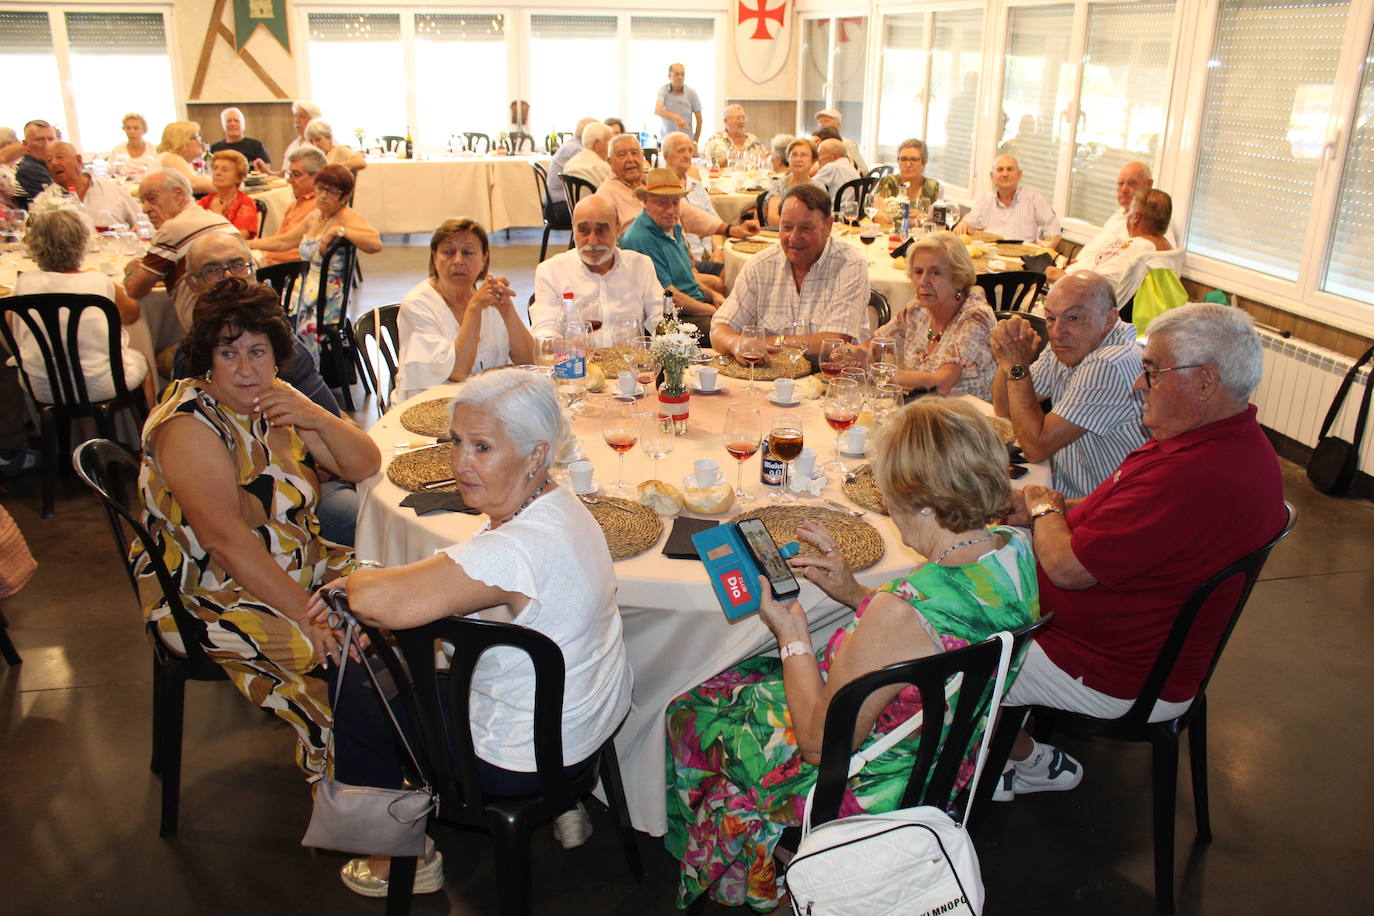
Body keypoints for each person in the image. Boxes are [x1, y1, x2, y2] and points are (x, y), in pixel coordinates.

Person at [665, 396, 1038, 909]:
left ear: (924, 502)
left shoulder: (901, 610)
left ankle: (757, 880)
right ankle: (757, 863)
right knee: (742, 676)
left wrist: (791, 628)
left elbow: (818, 744)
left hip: (872, 778)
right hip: (946, 752)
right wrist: (855, 594)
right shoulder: (1012, 549)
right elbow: (937, 640)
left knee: (691, 709)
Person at [305, 368, 633, 897]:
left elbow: (373, 599)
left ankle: (397, 860)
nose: (460, 462)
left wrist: (353, 579)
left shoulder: (510, 550)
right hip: (584, 720)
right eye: (457, 442)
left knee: (355, 678)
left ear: (535, 454)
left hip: (520, 760)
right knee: (393, 654)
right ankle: (567, 806)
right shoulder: (563, 504)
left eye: (482, 447)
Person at [994, 304, 1285, 800]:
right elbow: (1122, 512)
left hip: (1111, 668)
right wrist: (1052, 508)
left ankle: (1012, 760)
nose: (1137, 384)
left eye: (1152, 372)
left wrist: (1045, 512)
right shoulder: (1212, 441)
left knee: (940, 647)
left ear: (1206, 381)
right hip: (1125, 636)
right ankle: (998, 750)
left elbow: (1065, 568)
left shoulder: (1195, 475)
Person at [134, 278, 381, 774]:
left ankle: (411, 755)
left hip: (299, 562)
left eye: (257, 351)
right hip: (210, 592)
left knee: (409, 591)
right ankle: (362, 813)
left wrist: (316, 415)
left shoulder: (274, 396)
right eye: (229, 353)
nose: (246, 369)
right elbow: (224, 542)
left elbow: (363, 464)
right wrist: (310, 616)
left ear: (277, 354)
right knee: (329, 664)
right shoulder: (187, 425)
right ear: (207, 356)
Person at [171, 233, 360, 547]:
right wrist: (312, 466)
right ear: (192, 284)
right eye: (214, 270)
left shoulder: (276, 341)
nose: (228, 278)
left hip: (314, 474)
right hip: (275, 505)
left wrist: (330, 427)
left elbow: (330, 420)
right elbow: (227, 522)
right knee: (371, 523)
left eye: (237, 265)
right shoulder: (193, 372)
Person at [990, 272, 1147, 498]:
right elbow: (1004, 407)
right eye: (1051, 318)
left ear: (1110, 319)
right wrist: (1007, 353)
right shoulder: (1072, 344)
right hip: (1064, 488)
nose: (1057, 333)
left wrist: (1017, 366)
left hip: (1100, 508)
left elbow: (1035, 447)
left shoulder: (1110, 363)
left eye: (1073, 318)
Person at [9, 206, 153, 405]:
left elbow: (12, 331)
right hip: (100, 383)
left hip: (42, 385)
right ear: (81, 243)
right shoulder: (100, 282)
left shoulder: (23, 284)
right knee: (143, 360)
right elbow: (131, 315)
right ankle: (151, 429)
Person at [711, 183, 869, 359]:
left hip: (832, 377)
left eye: (805, 228)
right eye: (786, 227)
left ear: (828, 226)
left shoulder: (849, 264)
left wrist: (772, 341)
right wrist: (736, 343)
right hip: (773, 378)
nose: (793, 238)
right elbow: (719, 329)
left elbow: (835, 341)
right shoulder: (760, 265)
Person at [248, 164, 382, 357]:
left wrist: (340, 231)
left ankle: (304, 368)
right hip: (305, 285)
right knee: (264, 305)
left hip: (327, 293)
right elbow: (284, 241)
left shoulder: (347, 217)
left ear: (344, 197)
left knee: (286, 318)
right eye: (320, 189)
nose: (323, 196)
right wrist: (248, 244)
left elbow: (375, 244)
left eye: (331, 192)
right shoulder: (315, 217)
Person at [395, 218, 534, 401]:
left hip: (487, 402)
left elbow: (528, 359)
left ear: (484, 258)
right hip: (428, 406)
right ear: (435, 257)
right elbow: (457, 372)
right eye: (448, 252)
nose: (458, 260)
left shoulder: (490, 296)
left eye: (468, 252)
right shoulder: (417, 304)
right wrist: (474, 309)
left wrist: (507, 310)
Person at [123, 169, 237, 358]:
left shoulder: (172, 230)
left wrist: (131, 269)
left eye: (152, 199)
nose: (145, 209)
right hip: (239, 324)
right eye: (142, 201)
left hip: (209, 340)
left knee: (153, 358)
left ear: (178, 194)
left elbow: (136, 289)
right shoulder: (218, 220)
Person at [871, 231, 997, 399]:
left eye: (935, 273)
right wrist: (855, 353)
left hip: (966, 418)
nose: (923, 281)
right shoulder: (918, 309)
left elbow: (941, 383)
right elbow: (877, 344)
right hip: (924, 410)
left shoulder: (975, 317)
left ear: (958, 278)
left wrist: (885, 374)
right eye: (918, 272)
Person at [530, 195, 663, 341]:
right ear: (573, 230)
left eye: (601, 230)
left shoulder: (641, 266)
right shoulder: (551, 272)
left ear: (617, 229)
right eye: (584, 231)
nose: (592, 241)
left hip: (629, 361)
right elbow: (544, 334)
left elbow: (661, 321)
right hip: (577, 361)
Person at [596, 133, 760, 240]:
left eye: (635, 153)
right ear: (610, 162)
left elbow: (686, 212)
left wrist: (731, 229)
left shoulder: (651, 181)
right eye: (622, 155)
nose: (630, 159)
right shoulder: (606, 195)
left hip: (680, 256)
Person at [619, 168, 723, 328]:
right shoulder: (642, 238)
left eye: (675, 202)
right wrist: (712, 310)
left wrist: (713, 295)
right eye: (662, 203)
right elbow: (670, 297)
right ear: (645, 202)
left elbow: (687, 278)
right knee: (727, 330)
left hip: (692, 303)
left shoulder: (672, 226)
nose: (670, 210)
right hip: (672, 316)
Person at [1052, 189, 1180, 308]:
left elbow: (1096, 291)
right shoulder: (1168, 251)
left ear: (1136, 218)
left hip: (1093, 312)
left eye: (1130, 211)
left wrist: (1062, 277)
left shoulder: (1135, 248)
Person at [1067, 161, 1173, 268]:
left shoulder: (1153, 225)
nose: (1124, 190)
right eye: (1121, 183)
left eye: (1132, 183)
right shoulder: (1118, 214)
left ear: (1148, 184)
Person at [954, 154, 1060, 247]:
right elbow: (966, 223)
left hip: (1024, 261)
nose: (1005, 174)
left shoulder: (1034, 199)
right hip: (990, 258)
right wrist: (962, 226)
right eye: (1000, 169)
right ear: (992, 176)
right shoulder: (984, 201)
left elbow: (1054, 232)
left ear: (1019, 174)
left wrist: (1045, 251)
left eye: (1010, 169)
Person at [44, 141, 140, 228]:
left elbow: (141, 221)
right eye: (49, 160)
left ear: (79, 160)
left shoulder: (111, 189)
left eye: (60, 157)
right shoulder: (44, 201)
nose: (54, 163)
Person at [263, 146, 326, 266]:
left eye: (296, 175)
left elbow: (285, 244)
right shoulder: (296, 203)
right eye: (289, 174)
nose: (289, 181)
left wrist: (247, 245)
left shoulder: (321, 207)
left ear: (317, 176)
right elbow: (279, 239)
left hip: (290, 270)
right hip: (273, 261)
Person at [871, 138, 942, 225]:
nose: (908, 165)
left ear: (923, 163)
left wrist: (923, 217)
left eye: (914, 159)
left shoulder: (932, 186)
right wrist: (899, 218)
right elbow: (877, 216)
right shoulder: (889, 182)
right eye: (903, 159)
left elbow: (938, 221)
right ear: (898, 161)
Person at [197, 149, 259, 239]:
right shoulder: (205, 201)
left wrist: (218, 214)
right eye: (215, 168)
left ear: (239, 178)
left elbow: (239, 240)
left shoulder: (245, 203)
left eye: (225, 170)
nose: (217, 173)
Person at [546, 116, 598, 216]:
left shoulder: (571, 145)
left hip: (555, 200)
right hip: (561, 203)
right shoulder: (577, 150)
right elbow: (592, 175)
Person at [154, 121, 215, 197]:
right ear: (181, 140)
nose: (200, 143)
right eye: (196, 138)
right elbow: (191, 183)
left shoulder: (176, 159)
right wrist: (226, 185)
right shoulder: (171, 158)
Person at [210, 107, 272, 172]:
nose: (233, 124)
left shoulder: (256, 145)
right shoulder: (215, 148)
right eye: (229, 121)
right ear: (223, 125)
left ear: (243, 125)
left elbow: (266, 170)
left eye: (236, 121)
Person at [702, 104, 768, 166]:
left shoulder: (753, 140)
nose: (742, 121)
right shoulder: (715, 141)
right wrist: (727, 158)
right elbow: (705, 164)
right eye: (738, 118)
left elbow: (764, 161)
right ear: (726, 121)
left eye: (743, 118)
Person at [655, 62, 702, 142]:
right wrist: (676, 117)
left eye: (682, 74)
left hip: (685, 140)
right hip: (666, 140)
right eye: (676, 74)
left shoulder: (691, 93)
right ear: (669, 76)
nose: (680, 77)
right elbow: (658, 110)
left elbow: (699, 118)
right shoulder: (663, 91)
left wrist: (695, 141)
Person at [14, 120, 56, 207]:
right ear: (26, 144)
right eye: (40, 139)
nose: (47, 144)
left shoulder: (48, 165)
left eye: (51, 139)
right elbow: (56, 202)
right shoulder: (29, 169)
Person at [561, 121, 612, 189]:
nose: (611, 148)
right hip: (596, 199)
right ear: (597, 143)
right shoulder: (602, 167)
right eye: (609, 143)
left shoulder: (570, 163)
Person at [813, 137, 861, 205]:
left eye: (820, 154)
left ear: (834, 156)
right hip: (852, 210)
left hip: (835, 212)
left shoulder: (832, 167)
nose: (818, 159)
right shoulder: (849, 165)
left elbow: (809, 186)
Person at [283, 100, 322, 165]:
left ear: (313, 119)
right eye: (295, 116)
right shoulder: (293, 145)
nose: (297, 120)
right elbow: (285, 172)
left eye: (302, 116)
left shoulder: (322, 142)